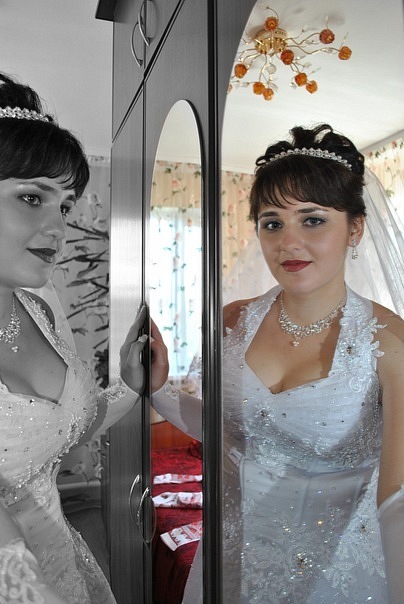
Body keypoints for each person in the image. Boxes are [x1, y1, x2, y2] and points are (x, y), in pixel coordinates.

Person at [150, 124, 404, 603]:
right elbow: (227, 431)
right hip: (228, 559)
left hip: (335, 575)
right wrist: (159, 387)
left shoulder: (390, 343)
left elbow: (397, 498)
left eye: (313, 220)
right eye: (272, 223)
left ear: (355, 228)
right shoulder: (232, 321)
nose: (288, 242)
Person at [0, 73, 148, 604]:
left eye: (64, 206)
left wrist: (130, 387)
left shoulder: (39, 310)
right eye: (31, 197)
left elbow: (63, 429)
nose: (59, 229)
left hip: (64, 565)